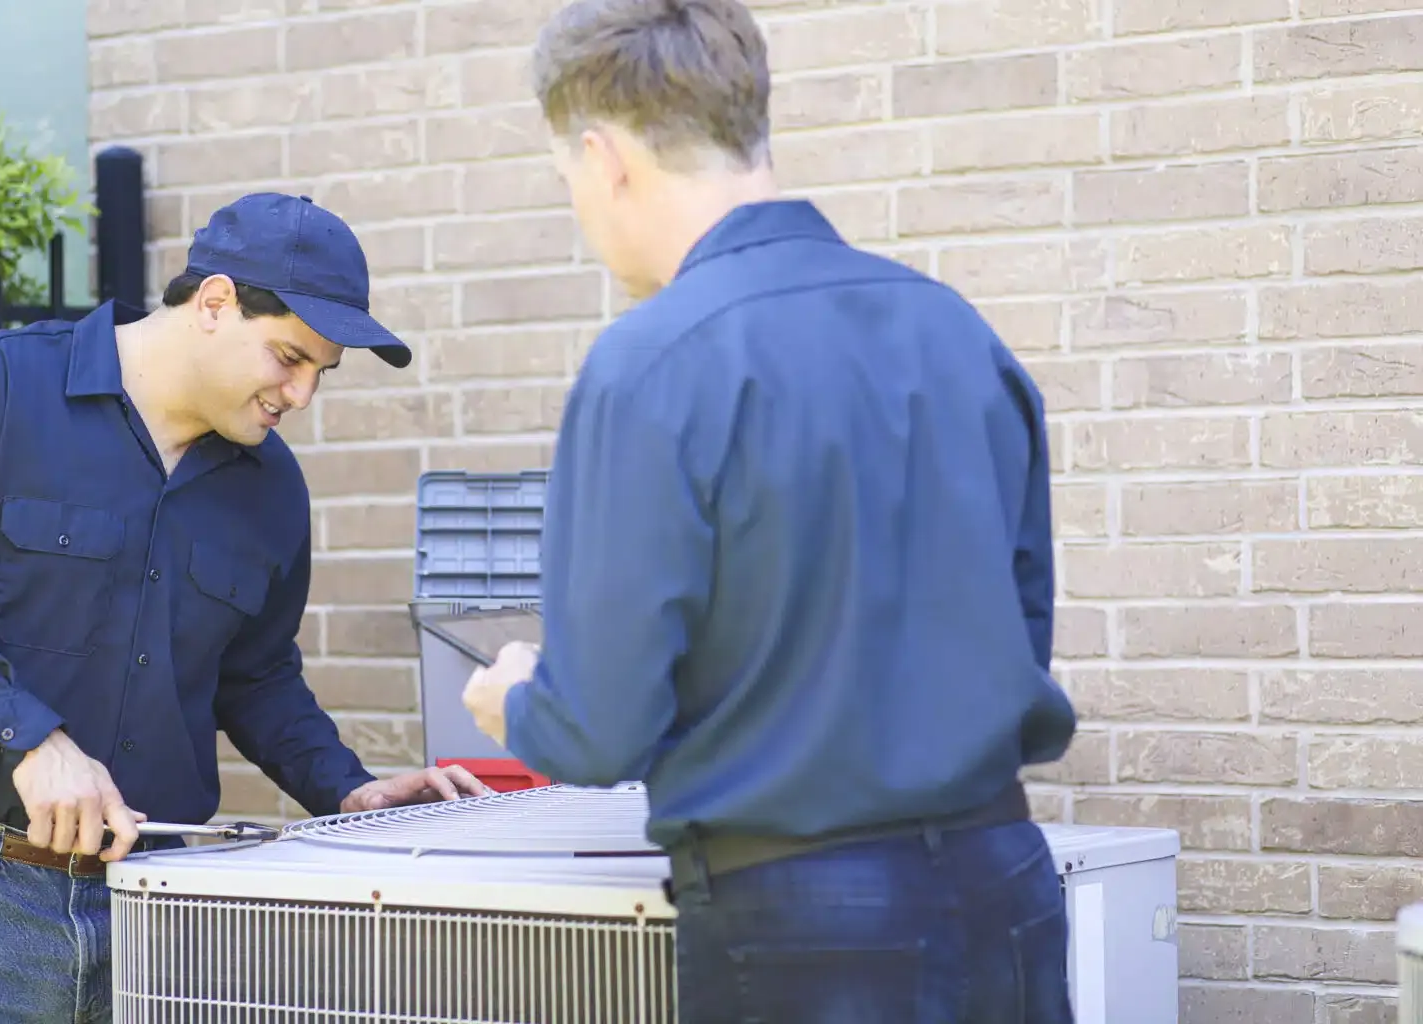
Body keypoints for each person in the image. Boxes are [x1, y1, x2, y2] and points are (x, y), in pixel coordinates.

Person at [460, 1, 1079, 1021]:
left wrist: (515, 703)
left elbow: (598, 729)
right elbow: (1022, 630)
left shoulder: (648, 364)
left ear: (604, 156)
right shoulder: (957, 332)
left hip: (800, 924)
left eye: (567, 175)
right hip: (1005, 882)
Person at [0, 191, 489, 1022]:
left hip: (155, 915)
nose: (303, 395)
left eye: (321, 372)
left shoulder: (272, 490)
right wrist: (26, 734)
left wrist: (345, 791)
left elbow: (258, 675)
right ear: (214, 303)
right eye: (289, 358)